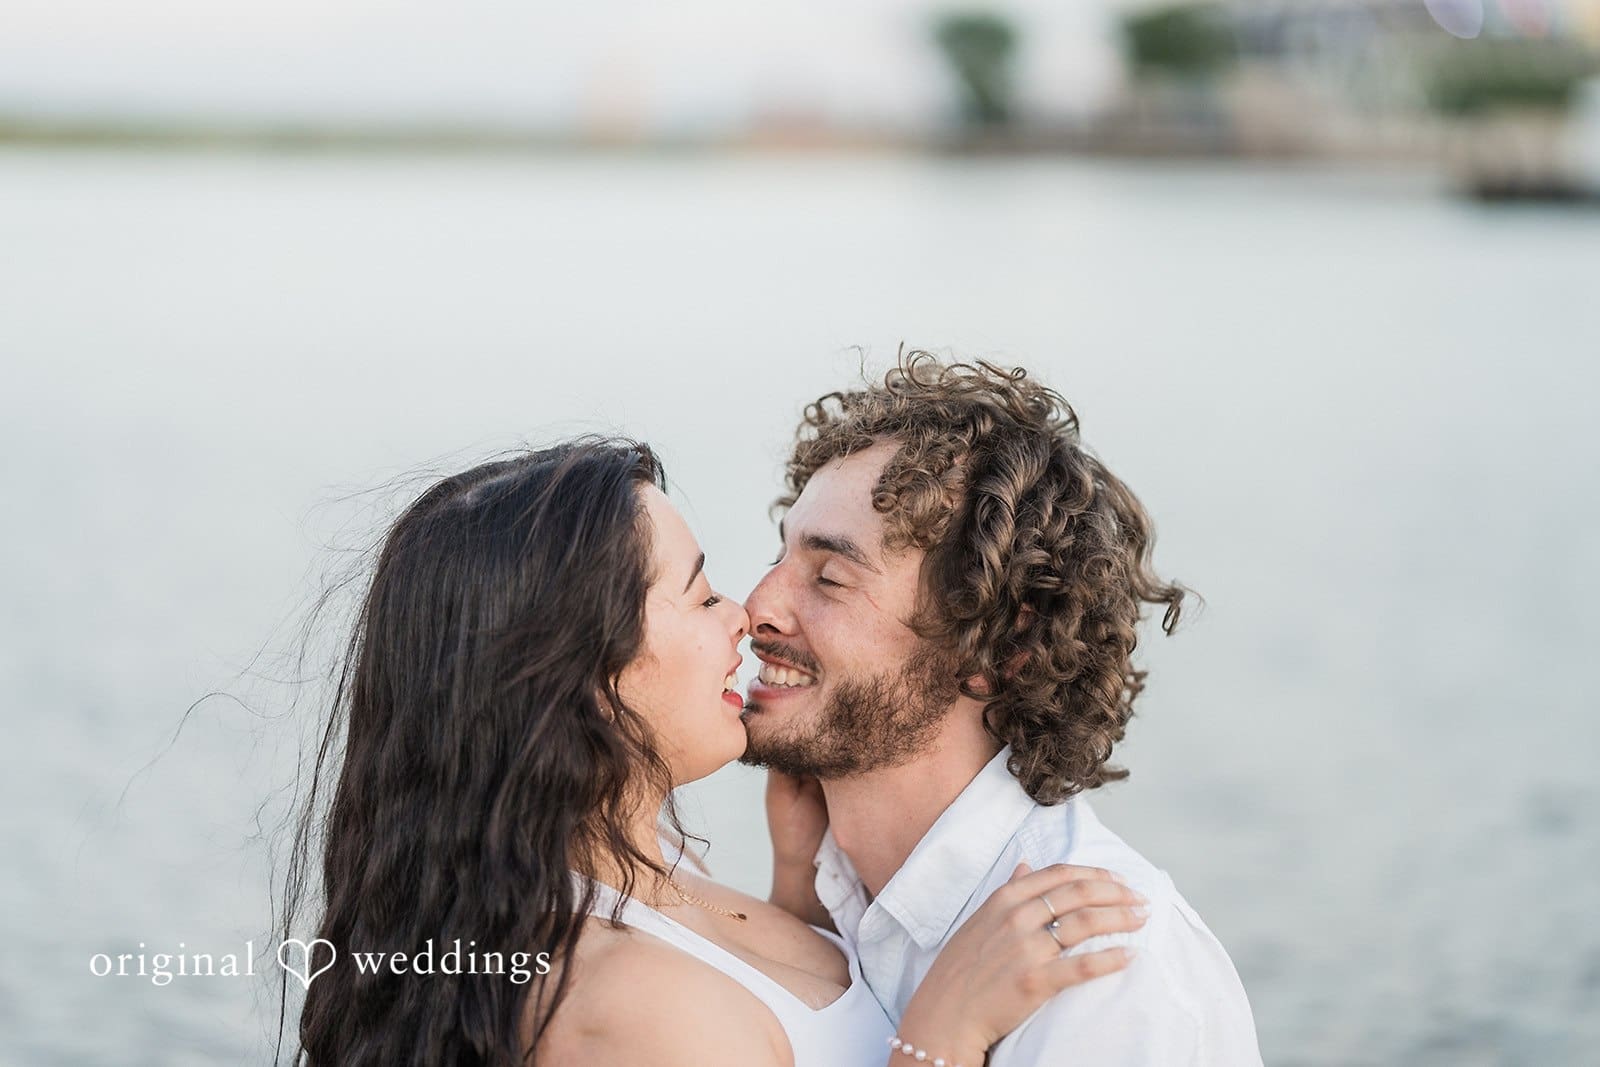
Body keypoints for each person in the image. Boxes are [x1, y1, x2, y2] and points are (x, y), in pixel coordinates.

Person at [279, 436, 1150, 1067]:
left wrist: (795, 892)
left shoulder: (639, 875)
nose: (748, 611)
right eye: (700, 597)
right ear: (584, 677)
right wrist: (940, 1039)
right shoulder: (632, 1010)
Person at [740, 354, 1264, 1065]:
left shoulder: (1102, 968)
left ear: (996, 650)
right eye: (782, 557)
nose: (756, 608)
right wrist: (795, 905)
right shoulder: (834, 894)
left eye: (829, 577)